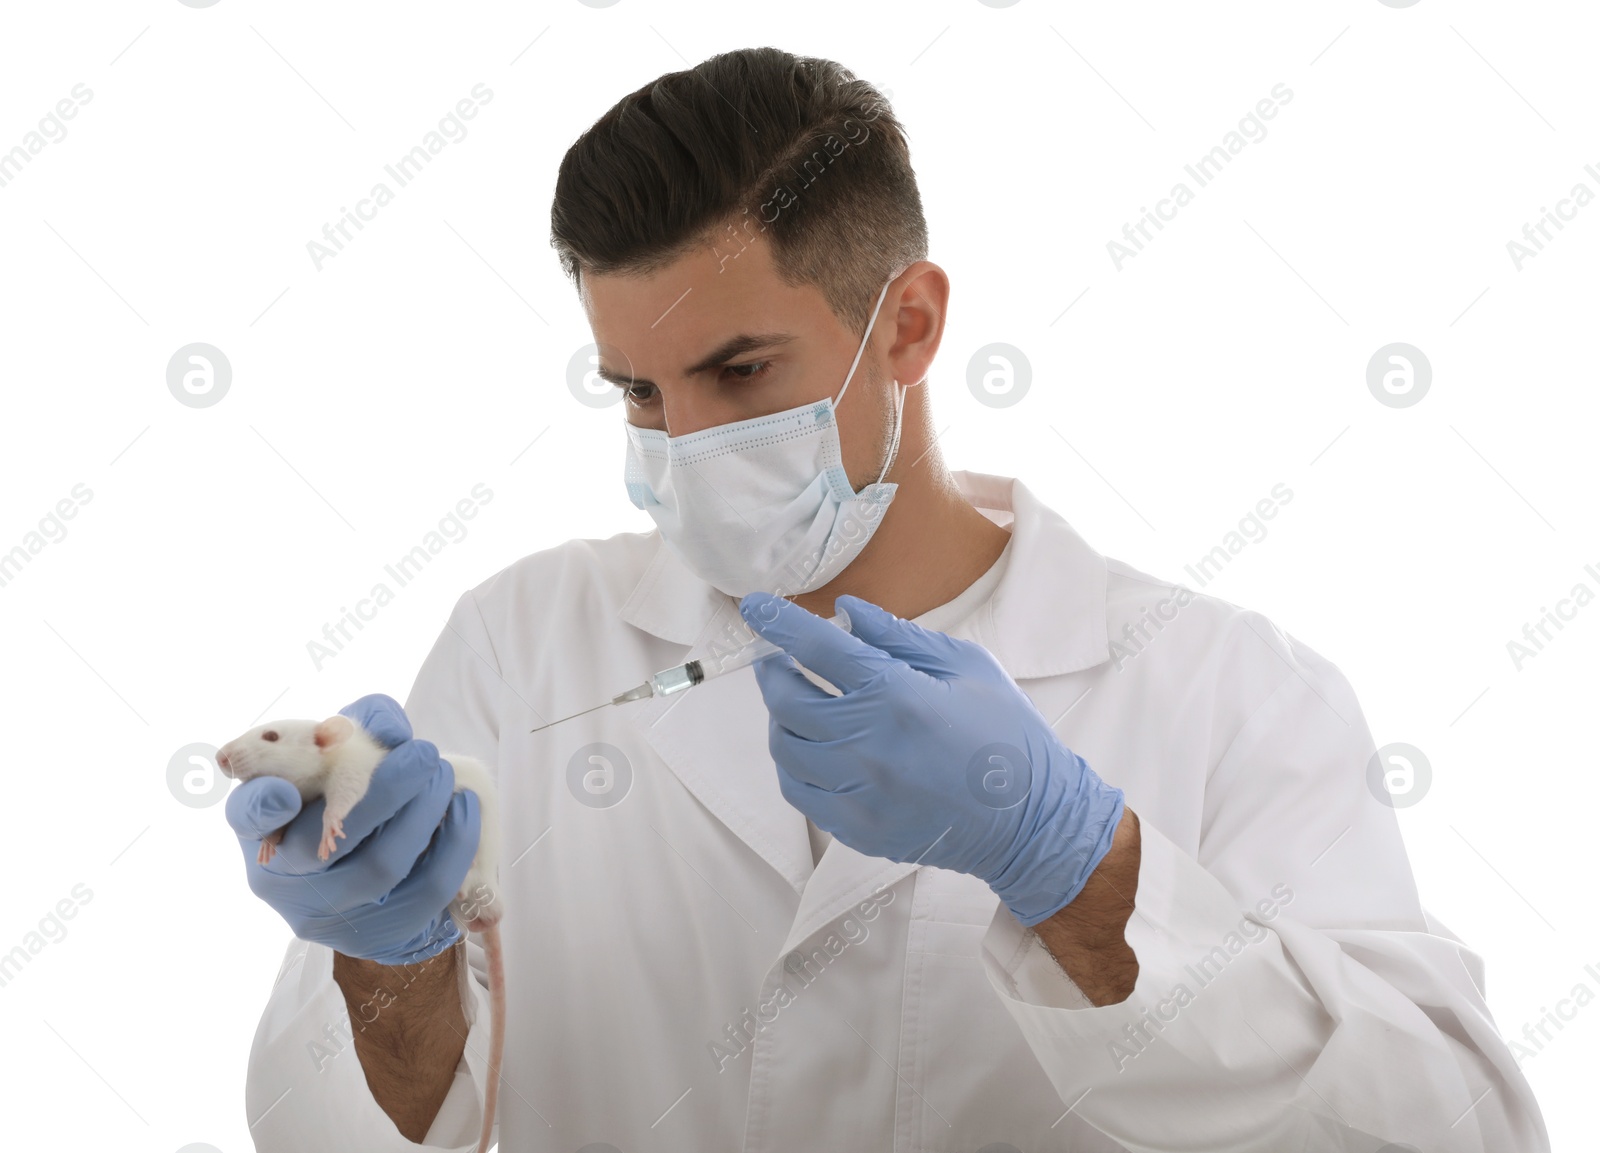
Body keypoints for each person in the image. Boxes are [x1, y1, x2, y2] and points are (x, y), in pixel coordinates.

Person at [230, 46, 1549, 1152]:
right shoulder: (526, 649)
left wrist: (1070, 857)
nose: (679, 445)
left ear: (908, 323)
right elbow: (327, 1133)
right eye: (636, 391)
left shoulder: (1221, 686)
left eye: (739, 370)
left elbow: (1453, 1126)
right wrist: (387, 960)